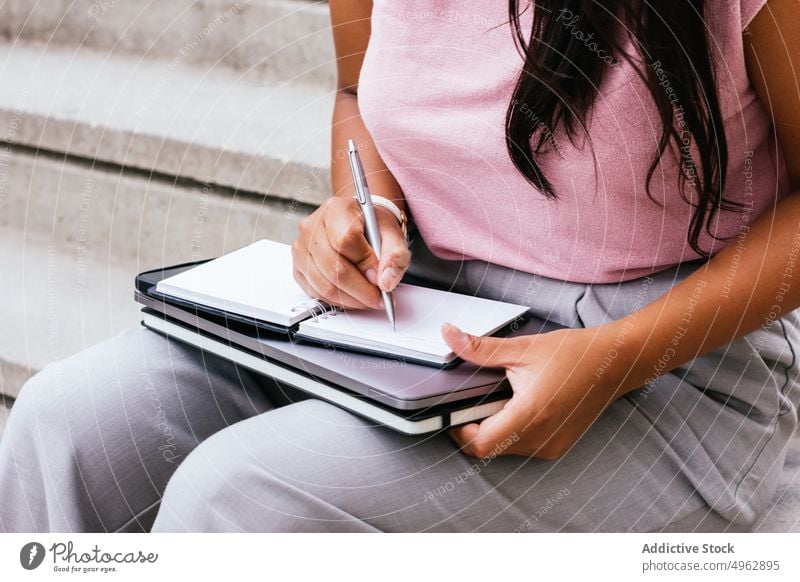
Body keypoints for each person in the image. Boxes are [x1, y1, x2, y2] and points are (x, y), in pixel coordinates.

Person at [1, 0, 799, 533]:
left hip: (667, 365)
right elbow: (358, 91)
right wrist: (368, 208)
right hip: (414, 317)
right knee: (61, 422)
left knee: (239, 502)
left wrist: (620, 356)